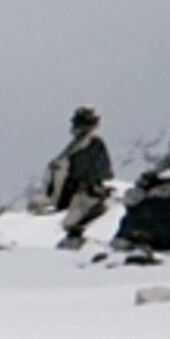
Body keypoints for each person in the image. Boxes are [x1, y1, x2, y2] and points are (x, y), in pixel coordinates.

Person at [46, 105, 113, 245]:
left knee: (72, 220)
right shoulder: (77, 145)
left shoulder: (93, 143)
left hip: (87, 193)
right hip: (76, 193)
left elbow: (101, 170)